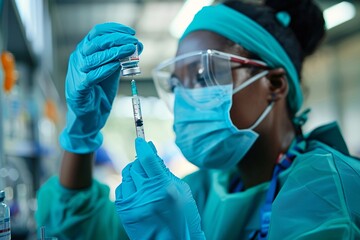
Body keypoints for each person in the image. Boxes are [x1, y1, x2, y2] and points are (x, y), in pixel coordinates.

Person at [35, 0, 360, 239]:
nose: (185, 99)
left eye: (203, 76)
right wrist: (82, 133)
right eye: (177, 84)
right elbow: (84, 229)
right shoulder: (206, 188)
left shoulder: (329, 189)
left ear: (274, 84)